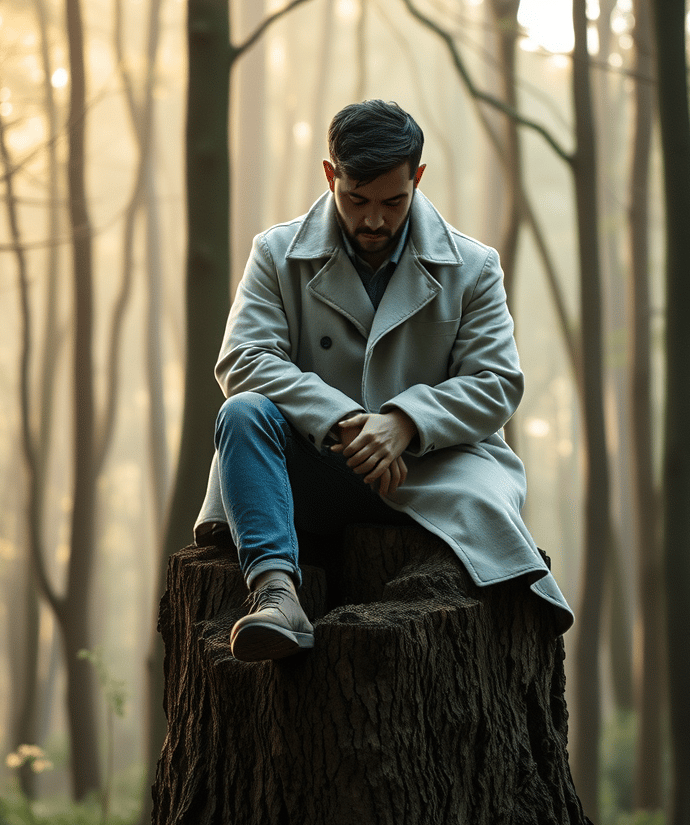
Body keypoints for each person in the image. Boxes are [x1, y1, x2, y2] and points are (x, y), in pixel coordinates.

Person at [194, 100, 573, 662]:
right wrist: (345, 422)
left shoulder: (473, 266)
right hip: (315, 467)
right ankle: (276, 593)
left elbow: (496, 383)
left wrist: (404, 422)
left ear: (417, 179)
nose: (374, 219)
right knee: (242, 413)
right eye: (357, 200)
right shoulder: (276, 253)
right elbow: (243, 358)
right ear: (330, 175)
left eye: (393, 201)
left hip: (430, 471)